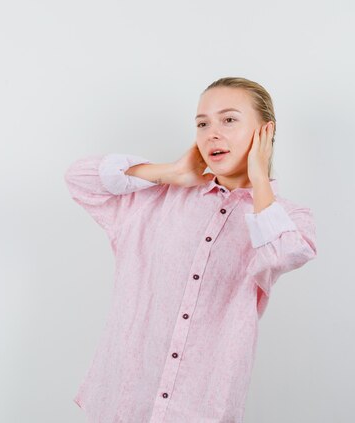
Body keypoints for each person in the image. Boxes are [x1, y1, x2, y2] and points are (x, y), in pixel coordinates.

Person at [64, 77, 317, 423]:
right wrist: (171, 172)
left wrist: (259, 180)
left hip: (200, 409)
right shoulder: (154, 200)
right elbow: (79, 178)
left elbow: (285, 253)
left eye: (228, 120)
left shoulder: (285, 218)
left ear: (265, 131)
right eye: (202, 123)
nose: (212, 133)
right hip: (122, 402)